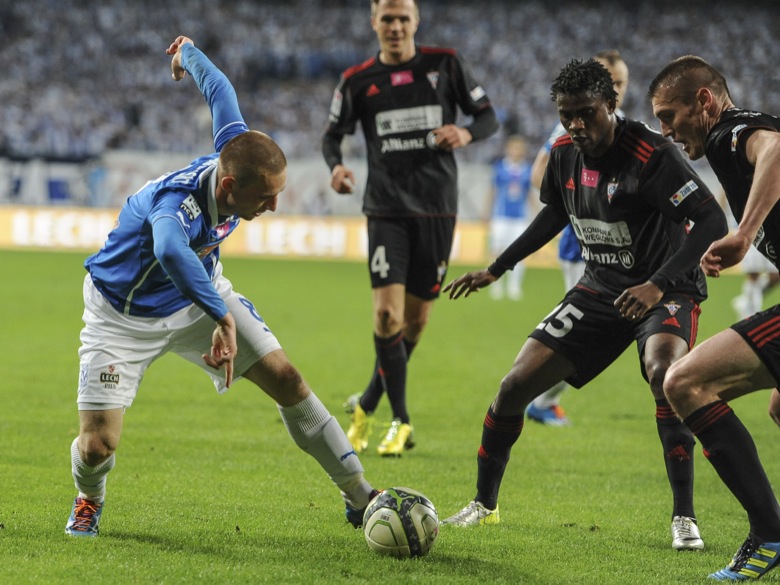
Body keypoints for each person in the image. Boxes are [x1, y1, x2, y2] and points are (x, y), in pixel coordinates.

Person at [64, 36, 379, 538]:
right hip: (121, 317)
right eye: (266, 197)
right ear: (230, 188)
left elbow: (220, 88)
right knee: (98, 446)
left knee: (289, 381)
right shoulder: (176, 205)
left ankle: (362, 497)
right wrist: (223, 317)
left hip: (197, 298)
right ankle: (89, 498)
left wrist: (187, 53)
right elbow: (171, 252)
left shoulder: (234, 150)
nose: (273, 207)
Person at [439, 58, 728, 554]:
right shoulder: (563, 154)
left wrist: (658, 286)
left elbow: (709, 222)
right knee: (513, 386)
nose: (576, 125)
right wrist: (498, 267)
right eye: (567, 114)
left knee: (664, 373)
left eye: (586, 114)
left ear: (611, 105)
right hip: (599, 290)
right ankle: (484, 506)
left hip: (666, 290)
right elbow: (555, 213)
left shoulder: (651, 154)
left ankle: (684, 516)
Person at [321, 0, 498, 457]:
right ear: (374, 22)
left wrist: (466, 134)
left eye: (403, 19)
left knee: (415, 321)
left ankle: (366, 404)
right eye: (388, 19)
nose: (396, 27)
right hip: (385, 209)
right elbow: (331, 134)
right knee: (386, 315)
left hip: (438, 209)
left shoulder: (445, 64)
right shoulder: (357, 80)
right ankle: (400, 420)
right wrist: (336, 166)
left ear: (415, 22)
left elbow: (488, 117)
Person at [650, 55, 780, 580]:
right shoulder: (735, 141)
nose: (666, 130)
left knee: (684, 381)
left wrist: (745, 232)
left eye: (670, 115)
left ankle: (769, 535)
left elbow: (777, 148)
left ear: (704, 102)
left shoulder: (732, 133)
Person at [525, 49, 629, 426]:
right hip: (581, 244)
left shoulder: (617, 126)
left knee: (596, 328)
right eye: (611, 82)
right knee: (590, 330)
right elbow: (540, 172)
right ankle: (538, 396)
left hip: (606, 245)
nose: (617, 88)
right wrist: (573, 208)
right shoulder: (570, 128)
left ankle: (542, 397)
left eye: (621, 83)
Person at [485, 134, 534, 301]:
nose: (516, 151)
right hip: (501, 216)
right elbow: (493, 190)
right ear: (508, 149)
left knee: (520, 253)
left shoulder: (527, 169)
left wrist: (535, 212)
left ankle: (514, 286)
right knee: (497, 250)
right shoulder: (500, 168)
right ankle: (495, 284)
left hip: (520, 217)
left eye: (519, 148)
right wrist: (486, 211)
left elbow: (529, 193)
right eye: (513, 147)